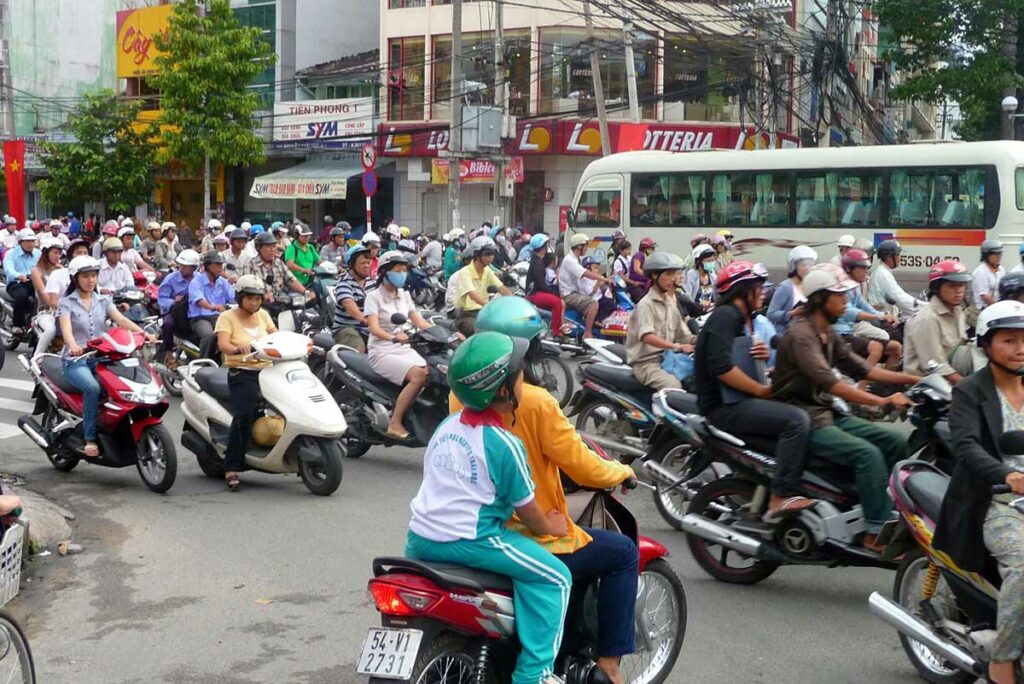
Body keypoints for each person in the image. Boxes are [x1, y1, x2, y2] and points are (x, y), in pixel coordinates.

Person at [468, 297, 638, 684]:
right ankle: (608, 667)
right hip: (523, 533)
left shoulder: (461, 393)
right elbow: (580, 464)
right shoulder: (535, 401)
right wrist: (622, 470)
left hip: (470, 526)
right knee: (623, 553)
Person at [410, 331, 571, 684]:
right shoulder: (504, 444)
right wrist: (552, 526)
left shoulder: (447, 426)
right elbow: (529, 513)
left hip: (419, 538)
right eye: (519, 376)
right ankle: (534, 674)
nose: (524, 380)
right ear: (503, 391)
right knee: (557, 577)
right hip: (473, 540)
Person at [771, 265, 919, 551]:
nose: (845, 302)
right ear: (819, 299)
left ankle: (884, 508)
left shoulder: (827, 332)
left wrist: (914, 379)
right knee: (868, 455)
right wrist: (882, 401)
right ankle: (874, 531)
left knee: (896, 442)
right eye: (839, 297)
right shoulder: (801, 336)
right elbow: (832, 383)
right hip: (806, 417)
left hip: (829, 412)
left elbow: (864, 370)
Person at [932, 300, 1024, 684]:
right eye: (1009, 340)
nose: (1020, 348)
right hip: (996, 501)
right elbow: (967, 447)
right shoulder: (970, 391)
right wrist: (1008, 474)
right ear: (987, 345)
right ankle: (1002, 660)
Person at [695, 261, 816, 517]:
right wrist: (762, 391)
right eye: (759, 288)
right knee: (796, 421)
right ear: (742, 290)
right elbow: (722, 368)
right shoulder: (725, 316)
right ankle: (780, 496)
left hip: (738, 400)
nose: (764, 293)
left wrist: (760, 356)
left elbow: (738, 359)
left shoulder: (742, 320)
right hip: (724, 408)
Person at [59, 256, 154, 458]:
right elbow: (66, 329)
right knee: (92, 388)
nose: (90, 280)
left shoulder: (103, 300)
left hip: (102, 357)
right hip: (77, 361)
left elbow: (121, 320)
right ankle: (90, 438)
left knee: (122, 385)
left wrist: (143, 333)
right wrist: (73, 346)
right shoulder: (67, 303)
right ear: (75, 278)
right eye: (85, 276)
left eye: (93, 276)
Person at [214, 274, 278, 492]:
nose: (254, 302)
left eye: (257, 298)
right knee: (243, 415)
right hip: (242, 372)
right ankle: (231, 466)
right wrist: (237, 349)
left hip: (268, 371)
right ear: (240, 298)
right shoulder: (226, 317)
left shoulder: (264, 315)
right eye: (249, 298)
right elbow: (223, 344)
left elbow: (276, 336)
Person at [364, 251, 434, 439]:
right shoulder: (373, 297)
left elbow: (419, 322)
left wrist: (445, 333)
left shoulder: (404, 295)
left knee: (433, 371)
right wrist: (393, 338)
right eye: (397, 270)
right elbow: (374, 328)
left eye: (404, 270)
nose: (402, 274)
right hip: (382, 350)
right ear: (384, 272)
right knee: (419, 376)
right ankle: (395, 422)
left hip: (404, 348)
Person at [626, 251, 695, 391]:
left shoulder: (670, 303)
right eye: (668, 274)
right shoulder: (646, 304)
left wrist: (702, 339)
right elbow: (647, 337)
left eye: (674, 274)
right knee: (674, 387)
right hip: (647, 364)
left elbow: (683, 335)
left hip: (669, 359)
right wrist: (676, 346)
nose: (673, 279)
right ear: (654, 275)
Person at [833, 251, 901, 374]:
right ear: (848, 268)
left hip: (851, 329)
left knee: (896, 347)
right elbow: (850, 311)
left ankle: (882, 383)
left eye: (867, 268)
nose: (866, 271)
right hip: (841, 333)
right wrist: (877, 317)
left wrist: (883, 316)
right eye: (862, 268)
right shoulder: (842, 287)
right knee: (877, 348)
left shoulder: (854, 287)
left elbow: (864, 306)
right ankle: (861, 382)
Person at [904, 259, 970, 382]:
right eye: (952, 286)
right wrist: (970, 386)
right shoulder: (927, 319)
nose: (958, 290)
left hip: (953, 376)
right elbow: (935, 367)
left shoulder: (958, 311)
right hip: (928, 384)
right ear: (936, 288)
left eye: (961, 285)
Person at [241, 232, 309, 320]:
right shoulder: (250, 266)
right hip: (261, 304)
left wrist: (305, 292)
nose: (272, 249)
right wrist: (262, 294)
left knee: (300, 313)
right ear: (259, 248)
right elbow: (246, 289)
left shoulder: (279, 263)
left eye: (274, 246)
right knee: (265, 316)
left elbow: (291, 280)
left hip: (279, 301)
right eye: (268, 247)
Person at [452, 236, 512, 337]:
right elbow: (473, 295)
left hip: (483, 313)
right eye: (487, 254)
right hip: (467, 315)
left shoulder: (487, 271)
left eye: (493, 253)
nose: (491, 257)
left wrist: (515, 301)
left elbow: (501, 287)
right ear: (477, 254)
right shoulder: (464, 273)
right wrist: (489, 306)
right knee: (480, 333)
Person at [561, 233, 610, 339]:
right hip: (569, 295)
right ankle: (587, 333)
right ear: (579, 246)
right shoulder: (570, 260)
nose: (587, 248)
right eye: (585, 246)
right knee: (593, 304)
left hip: (575, 292)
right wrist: (602, 278)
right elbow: (586, 273)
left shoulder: (576, 259)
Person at [156, 249, 201, 368]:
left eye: (185, 266)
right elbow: (162, 298)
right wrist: (174, 302)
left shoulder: (199, 279)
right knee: (168, 324)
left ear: (193, 268)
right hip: (174, 312)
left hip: (193, 311)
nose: (181, 268)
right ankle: (169, 353)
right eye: (180, 265)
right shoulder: (171, 279)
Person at [188, 251, 233, 358]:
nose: (220, 267)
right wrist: (213, 307)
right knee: (209, 335)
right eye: (217, 264)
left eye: (221, 264)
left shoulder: (223, 282)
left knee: (232, 332)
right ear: (208, 265)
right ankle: (203, 362)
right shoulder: (196, 281)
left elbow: (233, 298)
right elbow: (199, 301)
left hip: (219, 317)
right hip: (200, 318)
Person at [767, 245, 817, 336]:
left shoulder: (811, 285)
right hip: (787, 335)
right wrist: (792, 313)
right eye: (803, 265)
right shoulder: (786, 287)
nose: (807, 268)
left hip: (806, 334)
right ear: (794, 267)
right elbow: (771, 314)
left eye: (810, 265)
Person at [331, 244, 372, 351]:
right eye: (363, 263)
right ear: (351, 265)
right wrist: (364, 319)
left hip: (370, 329)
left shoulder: (373, 282)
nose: (367, 266)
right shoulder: (344, 283)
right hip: (347, 328)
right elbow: (349, 305)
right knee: (358, 350)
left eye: (368, 262)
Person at [525, 234, 565, 337]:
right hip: (534, 294)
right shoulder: (537, 263)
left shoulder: (538, 260)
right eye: (546, 245)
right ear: (542, 247)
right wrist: (555, 293)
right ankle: (556, 331)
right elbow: (541, 285)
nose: (547, 247)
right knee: (557, 302)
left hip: (537, 291)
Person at [867, 239, 921, 317]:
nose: (900, 258)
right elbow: (900, 298)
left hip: (885, 315)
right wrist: (924, 307)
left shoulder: (883, 271)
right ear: (889, 258)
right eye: (898, 255)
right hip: (882, 318)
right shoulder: (883, 274)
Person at [29, 238, 64, 355]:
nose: (57, 256)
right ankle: (36, 357)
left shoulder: (61, 269)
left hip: (64, 310)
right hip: (45, 311)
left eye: (59, 253)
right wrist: (59, 305)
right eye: (55, 252)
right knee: (50, 330)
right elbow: (44, 295)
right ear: (46, 253)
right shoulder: (36, 271)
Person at [3, 229, 40, 331]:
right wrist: (19, 275)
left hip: (34, 282)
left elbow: (45, 267)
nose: (31, 244)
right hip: (17, 283)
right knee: (21, 296)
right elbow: (8, 269)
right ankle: (17, 325)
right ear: (20, 242)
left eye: (33, 241)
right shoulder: (11, 254)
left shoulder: (38, 253)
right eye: (28, 241)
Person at [971, 239, 1006, 315]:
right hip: (983, 310)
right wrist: (999, 309)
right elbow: (985, 296)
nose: (998, 256)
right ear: (987, 255)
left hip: (997, 306)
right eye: (995, 254)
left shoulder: (1001, 270)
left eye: (1000, 253)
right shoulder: (981, 272)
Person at [683, 243, 718, 313]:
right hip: (695, 313)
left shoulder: (712, 276)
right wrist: (700, 304)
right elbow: (686, 299)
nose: (711, 263)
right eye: (708, 261)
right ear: (698, 261)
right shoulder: (690, 276)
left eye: (712, 261)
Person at [627, 237, 656, 301]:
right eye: (652, 248)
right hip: (635, 284)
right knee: (643, 300)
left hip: (644, 284)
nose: (653, 250)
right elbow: (636, 269)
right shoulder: (639, 255)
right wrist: (648, 275)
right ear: (645, 249)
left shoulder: (647, 257)